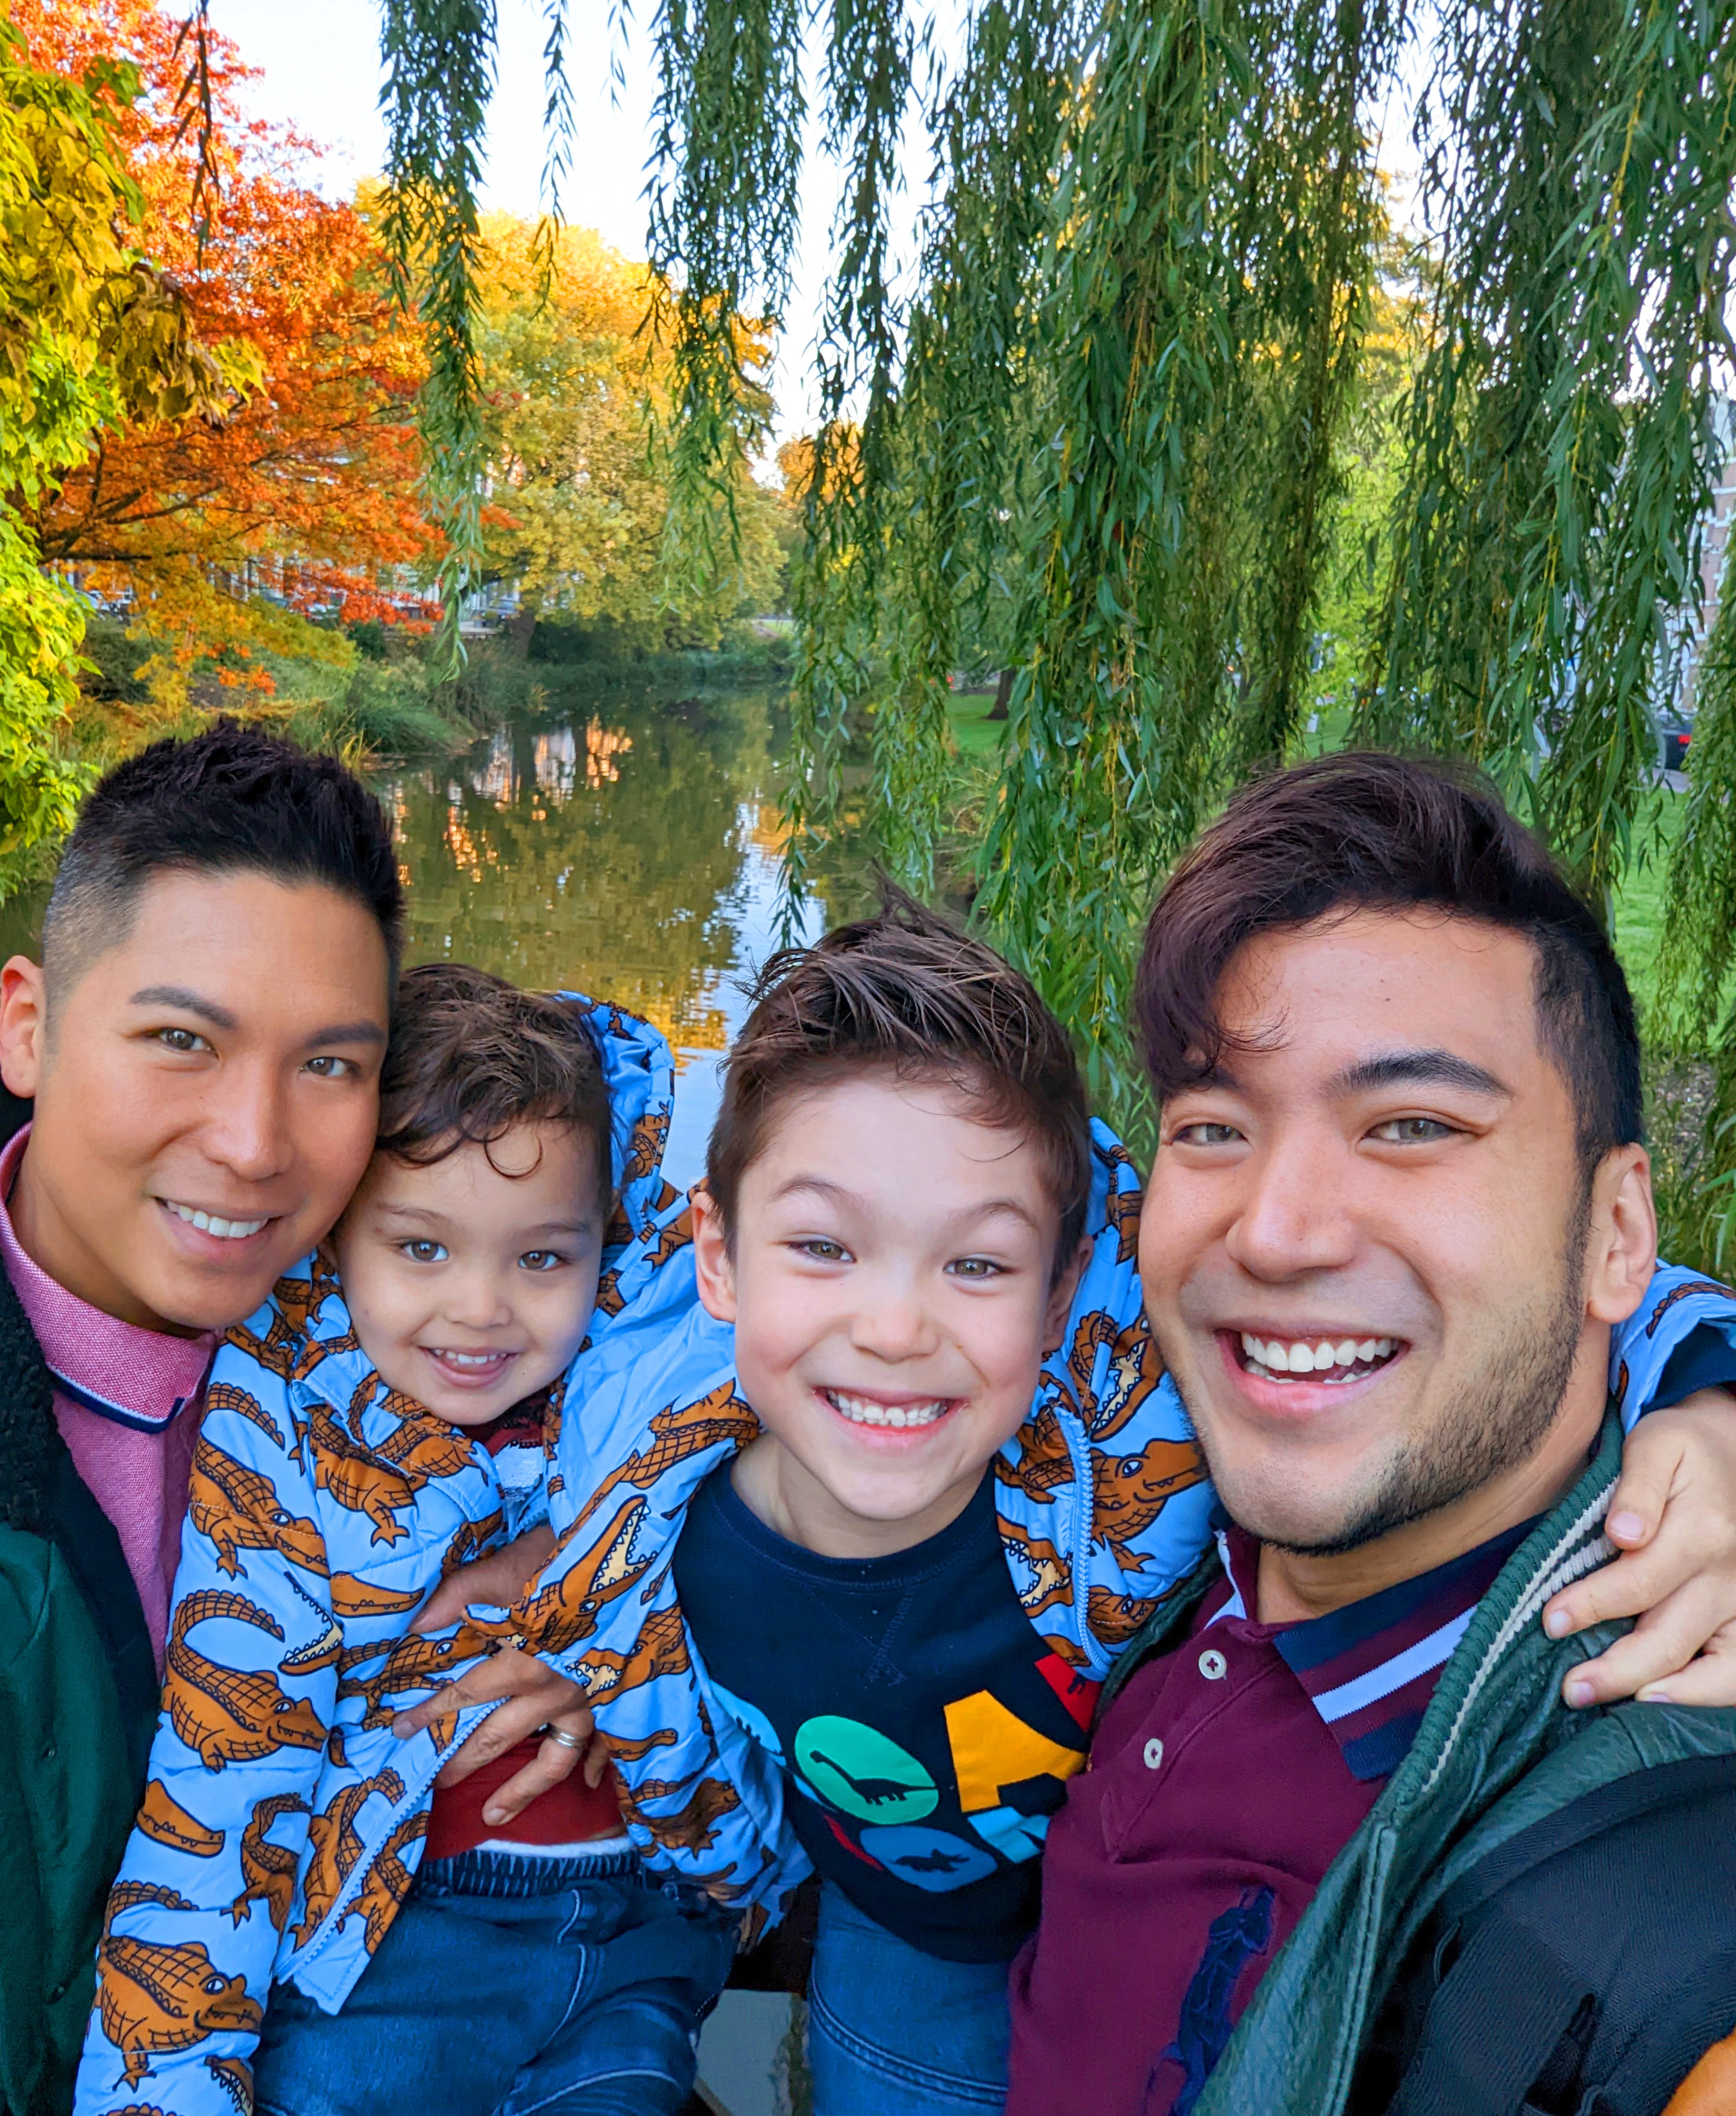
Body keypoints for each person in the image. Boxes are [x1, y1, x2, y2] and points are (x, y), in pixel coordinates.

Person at [474, 889, 1736, 2116]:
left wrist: (1710, 1400)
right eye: (822, 1249)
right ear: (719, 1258)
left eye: (976, 1265)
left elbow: (1534, 1299)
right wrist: (568, 1645)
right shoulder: (660, 1526)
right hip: (897, 1939)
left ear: (1069, 1280)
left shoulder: (1157, 1442)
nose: (897, 1328)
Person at [1004, 753, 1736, 2116]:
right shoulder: (1128, 1475)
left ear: (1618, 1230)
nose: (1275, 1233)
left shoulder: (1648, 1891)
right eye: (1213, 1126)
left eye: (1412, 1124)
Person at [73, 964, 735, 2116]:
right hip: (391, 1946)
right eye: (421, 1249)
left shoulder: (677, 1360)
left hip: (640, 1936)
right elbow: (226, 1780)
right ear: (337, 1239)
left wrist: (588, 1579)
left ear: (607, 1242)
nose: (482, 1310)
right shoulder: (286, 1433)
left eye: (543, 1258)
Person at [0, 723, 400, 2116]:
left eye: (333, 1067)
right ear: (28, 1025)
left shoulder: (435, 1350)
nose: (254, 1142)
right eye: (182, 1039)